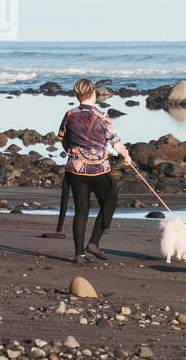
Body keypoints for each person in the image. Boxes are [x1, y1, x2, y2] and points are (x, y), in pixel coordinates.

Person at [56, 78, 131, 264]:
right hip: (97, 170)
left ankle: (79, 254)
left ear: (78, 95)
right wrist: (126, 156)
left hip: (75, 169)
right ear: (93, 94)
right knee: (110, 198)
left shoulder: (69, 114)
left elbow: (62, 139)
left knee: (81, 211)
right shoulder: (103, 118)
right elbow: (117, 144)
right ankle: (94, 243)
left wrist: (72, 152)